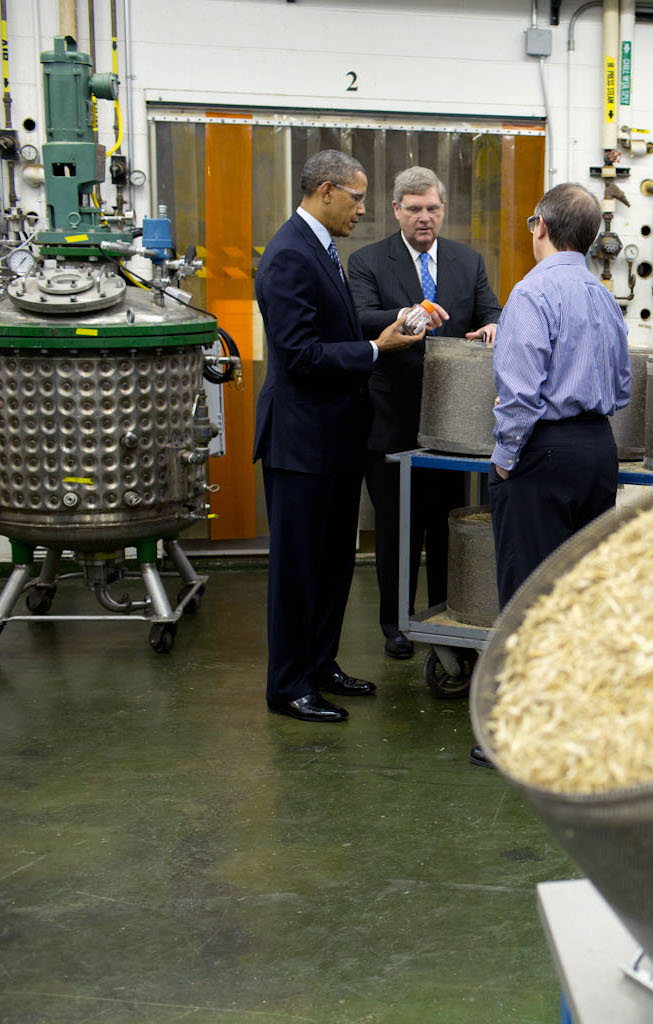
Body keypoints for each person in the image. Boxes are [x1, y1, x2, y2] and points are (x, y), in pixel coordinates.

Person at [253, 150, 439, 723]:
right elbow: (300, 355)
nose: (363, 209)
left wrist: (389, 327)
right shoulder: (288, 255)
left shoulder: (323, 248)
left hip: (332, 439)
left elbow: (331, 324)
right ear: (327, 190)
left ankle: (320, 664)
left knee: (334, 563)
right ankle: (288, 685)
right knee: (299, 569)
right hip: (301, 444)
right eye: (357, 197)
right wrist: (375, 350)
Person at [471, 183, 630, 768]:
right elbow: (621, 387)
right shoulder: (602, 295)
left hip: (542, 453)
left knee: (527, 593)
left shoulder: (531, 294)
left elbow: (519, 392)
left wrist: (508, 456)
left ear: (539, 225)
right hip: (596, 449)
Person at [347, 166, 503, 660]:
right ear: (396, 210)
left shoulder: (465, 261)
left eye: (432, 208)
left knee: (445, 528)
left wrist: (494, 328)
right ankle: (396, 625)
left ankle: (443, 616)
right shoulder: (368, 261)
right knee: (396, 531)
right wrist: (406, 315)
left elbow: (490, 310)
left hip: (454, 425)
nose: (424, 218)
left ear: (442, 210)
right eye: (414, 209)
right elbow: (359, 316)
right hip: (390, 418)